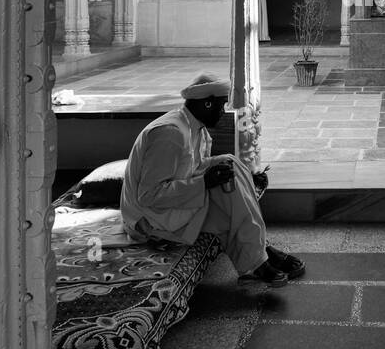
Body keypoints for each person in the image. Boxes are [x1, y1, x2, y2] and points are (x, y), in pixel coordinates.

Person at [120, 73, 304, 284]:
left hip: (168, 207)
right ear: (207, 104)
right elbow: (149, 196)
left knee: (229, 163)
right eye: (221, 105)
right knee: (230, 203)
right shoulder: (170, 134)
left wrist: (217, 170)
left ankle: (259, 253)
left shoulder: (194, 127)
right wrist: (205, 182)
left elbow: (193, 167)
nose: (223, 111)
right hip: (149, 219)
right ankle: (259, 257)